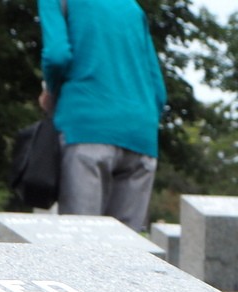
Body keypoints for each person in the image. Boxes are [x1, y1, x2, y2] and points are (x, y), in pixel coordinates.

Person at [38, 0, 166, 233]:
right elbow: (158, 89)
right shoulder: (131, 7)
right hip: (141, 136)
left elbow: (57, 55)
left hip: (86, 130)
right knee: (128, 255)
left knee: (81, 245)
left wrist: (51, 92)